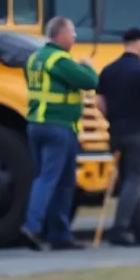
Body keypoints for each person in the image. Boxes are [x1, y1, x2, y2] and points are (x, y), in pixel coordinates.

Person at [19, 16, 98, 251]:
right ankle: (32, 227)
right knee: (51, 180)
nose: (74, 37)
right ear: (60, 35)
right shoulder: (59, 60)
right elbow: (90, 81)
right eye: (72, 33)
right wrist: (87, 66)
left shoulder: (34, 58)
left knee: (58, 182)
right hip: (58, 126)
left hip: (36, 124)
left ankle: (59, 235)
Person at [95, 27, 140, 247]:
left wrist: (112, 117)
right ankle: (120, 228)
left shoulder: (108, 70)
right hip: (138, 131)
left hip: (116, 132)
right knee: (135, 180)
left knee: (128, 180)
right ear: (139, 43)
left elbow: (99, 101)